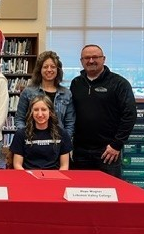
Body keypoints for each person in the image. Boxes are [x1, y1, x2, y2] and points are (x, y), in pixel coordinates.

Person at [69, 44, 136, 178]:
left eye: (95, 57)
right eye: (87, 58)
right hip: (80, 151)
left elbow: (130, 115)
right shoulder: (76, 84)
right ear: (81, 61)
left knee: (109, 193)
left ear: (103, 59)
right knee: (80, 193)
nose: (91, 61)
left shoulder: (119, 83)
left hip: (108, 151)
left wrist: (116, 145)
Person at [15, 50, 75, 138]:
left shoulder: (66, 93)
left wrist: (65, 141)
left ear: (58, 70)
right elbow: (19, 119)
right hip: (32, 142)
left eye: (53, 67)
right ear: (40, 70)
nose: (49, 70)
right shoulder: (28, 92)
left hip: (59, 143)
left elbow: (70, 123)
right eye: (45, 67)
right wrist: (26, 138)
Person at [11, 95, 71, 171]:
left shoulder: (62, 134)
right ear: (31, 112)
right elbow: (17, 164)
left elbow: (64, 166)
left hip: (54, 177)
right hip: (29, 177)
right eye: (36, 110)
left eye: (43, 109)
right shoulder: (21, 134)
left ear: (50, 112)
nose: (40, 114)